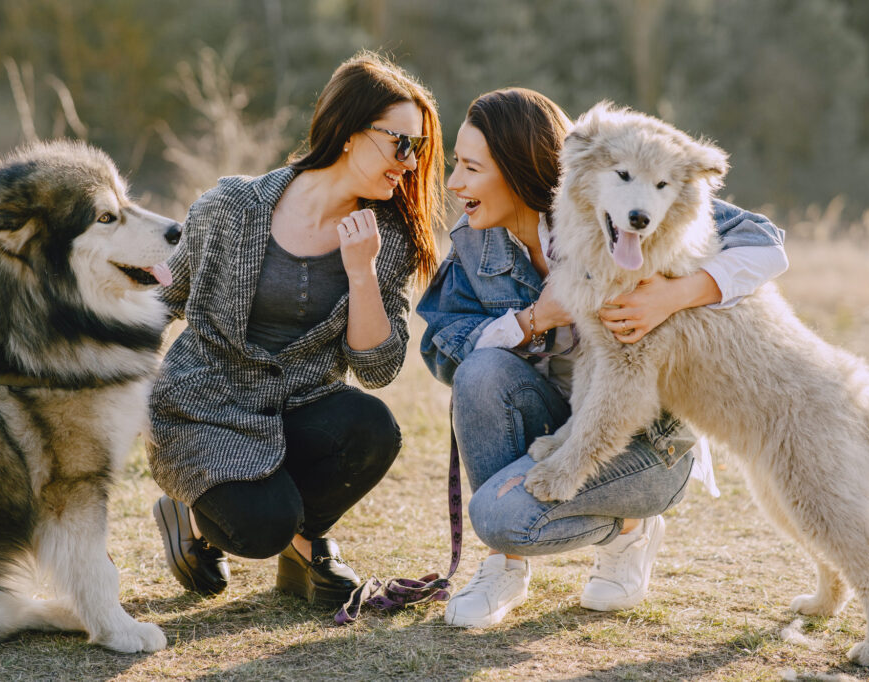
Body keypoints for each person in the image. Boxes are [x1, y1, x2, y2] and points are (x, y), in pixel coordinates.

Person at [416, 88, 788, 627]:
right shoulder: (475, 242)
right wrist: (534, 319)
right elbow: (442, 350)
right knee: (480, 373)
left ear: (518, 170)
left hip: (649, 438)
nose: (454, 183)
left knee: (502, 517)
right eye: (457, 164)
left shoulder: (622, 194)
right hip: (560, 423)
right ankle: (504, 565)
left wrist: (674, 294)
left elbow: (768, 243)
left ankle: (630, 531)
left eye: (470, 168)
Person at [147, 52, 444, 606]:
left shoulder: (388, 238)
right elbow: (158, 302)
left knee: (372, 429)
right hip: (204, 411)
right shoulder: (231, 207)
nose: (410, 162)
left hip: (300, 408)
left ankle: (306, 542)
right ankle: (191, 512)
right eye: (401, 143)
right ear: (349, 133)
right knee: (261, 528)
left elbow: (377, 370)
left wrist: (361, 272)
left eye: (418, 148)